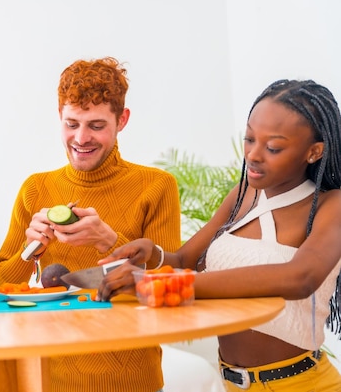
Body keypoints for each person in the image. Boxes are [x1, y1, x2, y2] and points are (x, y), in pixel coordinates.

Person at [98, 79, 341, 391]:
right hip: (231, 383)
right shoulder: (242, 195)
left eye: (273, 147)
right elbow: (187, 261)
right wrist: (153, 256)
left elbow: (300, 277)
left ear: (314, 152)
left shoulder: (330, 204)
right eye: (249, 139)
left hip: (301, 384)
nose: (253, 155)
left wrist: (159, 284)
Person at [0, 57, 182, 392]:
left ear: (122, 120)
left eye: (96, 125)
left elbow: (171, 288)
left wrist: (109, 241)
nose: (81, 138)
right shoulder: (36, 188)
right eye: (71, 123)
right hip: (48, 376)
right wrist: (28, 252)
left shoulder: (156, 186)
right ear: (59, 118)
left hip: (132, 378)